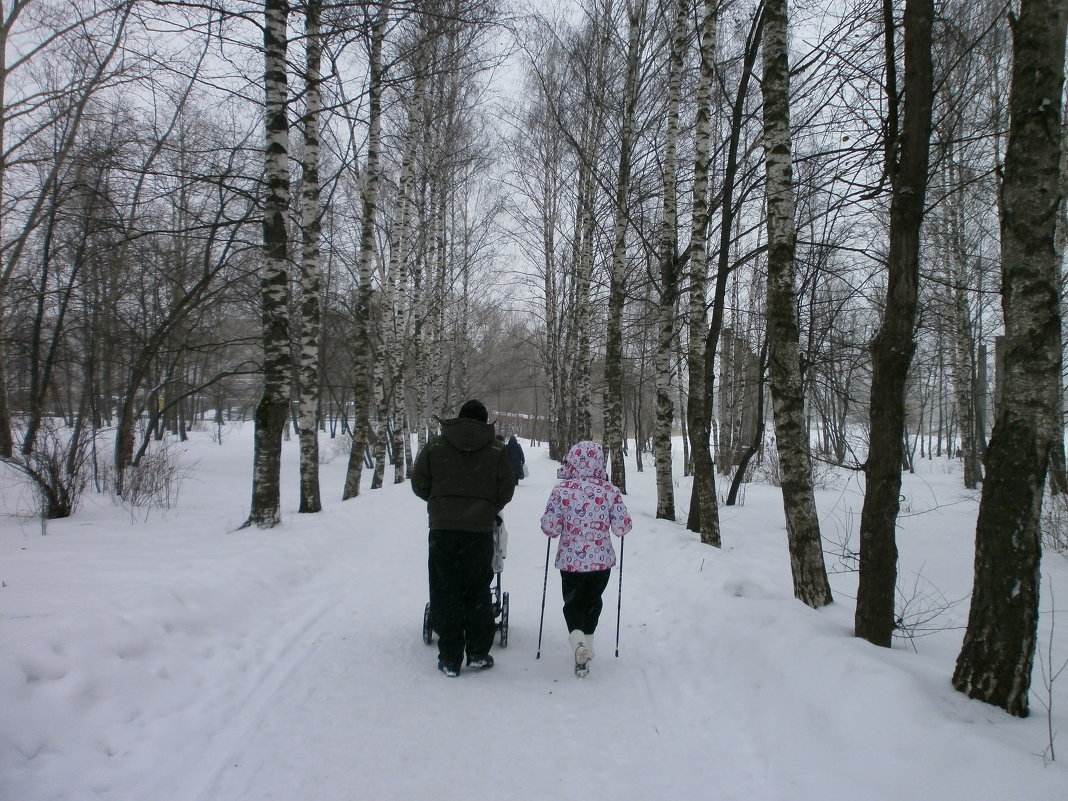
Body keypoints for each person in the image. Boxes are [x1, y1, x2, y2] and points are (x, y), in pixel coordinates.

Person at [412, 399, 515, 677]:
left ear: (459, 418)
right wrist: (487, 507)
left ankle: (449, 657)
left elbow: (419, 483)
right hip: (479, 530)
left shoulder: (436, 445)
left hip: (443, 529)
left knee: (445, 588)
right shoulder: (496, 449)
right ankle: (478, 652)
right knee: (477, 588)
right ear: (484, 421)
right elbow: (506, 487)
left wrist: (440, 502)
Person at [539, 440, 632, 677]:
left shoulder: (562, 490)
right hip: (601, 562)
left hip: (570, 561)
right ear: (599, 462)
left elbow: (550, 528)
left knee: (572, 602)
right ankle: (587, 647)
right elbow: (622, 528)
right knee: (593, 601)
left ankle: (578, 642)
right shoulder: (610, 491)